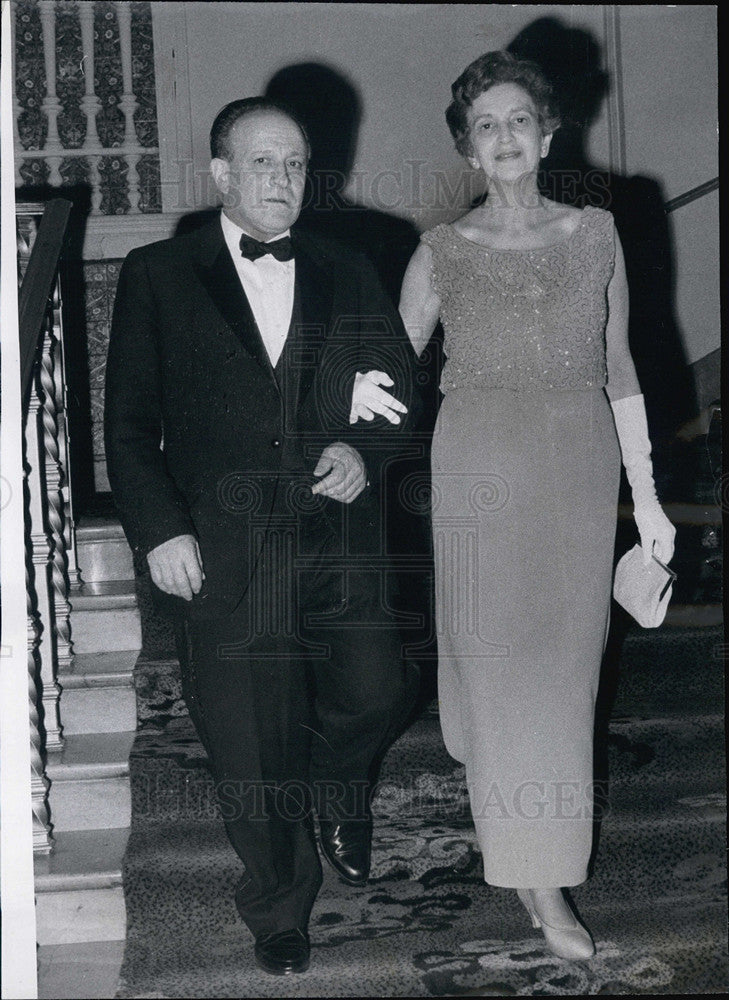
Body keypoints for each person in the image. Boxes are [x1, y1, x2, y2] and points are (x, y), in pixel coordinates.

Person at [353, 51, 675, 960]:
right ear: (467, 144)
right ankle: (541, 886)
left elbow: (619, 370)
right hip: (479, 469)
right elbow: (389, 364)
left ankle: (533, 850)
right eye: (484, 125)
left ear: (546, 133)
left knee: (562, 676)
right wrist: (357, 400)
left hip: (577, 469)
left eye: (516, 121)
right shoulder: (441, 252)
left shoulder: (597, 233)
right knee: (501, 676)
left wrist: (646, 499)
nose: (503, 137)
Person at [104, 96, 418, 977]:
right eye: (262, 163)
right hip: (223, 542)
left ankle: (336, 780)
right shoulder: (159, 272)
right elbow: (127, 425)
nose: (283, 180)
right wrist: (160, 529)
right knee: (248, 740)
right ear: (221, 174)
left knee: (378, 685)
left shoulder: (348, 264)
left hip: (337, 530)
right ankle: (279, 910)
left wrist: (366, 446)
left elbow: (399, 387)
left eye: (295, 163)